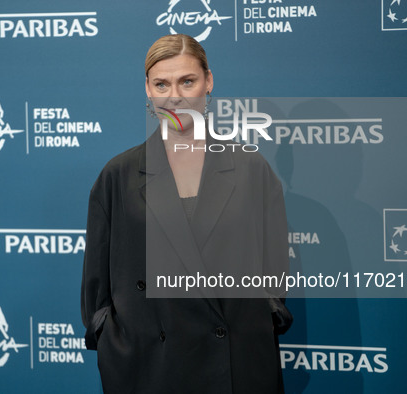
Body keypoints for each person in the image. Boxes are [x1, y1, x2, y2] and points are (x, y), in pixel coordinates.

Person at [81, 34, 291, 394]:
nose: (174, 96)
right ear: (147, 89)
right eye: (161, 83)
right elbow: (96, 286)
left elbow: (275, 269)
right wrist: (112, 339)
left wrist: (262, 317)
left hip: (235, 362)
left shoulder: (250, 167)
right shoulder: (118, 174)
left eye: (187, 81)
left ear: (208, 82)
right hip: (148, 367)